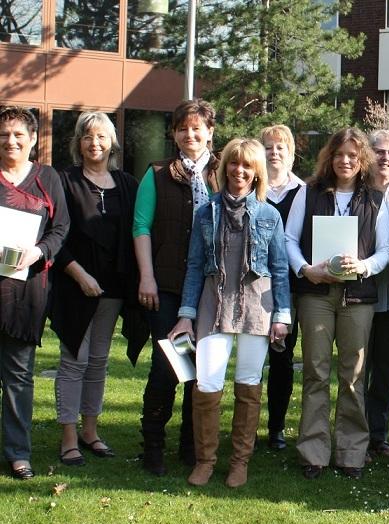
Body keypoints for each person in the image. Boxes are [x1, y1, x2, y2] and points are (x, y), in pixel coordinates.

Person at [169, 138, 291, 488]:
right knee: (206, 383)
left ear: (257, 174)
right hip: (213, 301)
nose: (239, 171)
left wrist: (282, 315)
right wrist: (185, 313)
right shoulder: (206, 212)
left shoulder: (270, 215)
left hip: (258, 304)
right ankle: (206, 461)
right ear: (224, 170)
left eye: (247, 166)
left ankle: (240, 462)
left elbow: (280, 269)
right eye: (234, 165)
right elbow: (194, 265)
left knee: (248, 384)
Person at [284, 127, 389, 480]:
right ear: (329, 158)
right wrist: (305, 269)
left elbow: (385, 250)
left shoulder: (376, 198)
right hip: (315, 295)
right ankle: (313, 451)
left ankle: (351, 452)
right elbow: (288, 238)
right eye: (340, 154)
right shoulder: (308, 192)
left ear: (363, 161)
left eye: (353, 156)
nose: (345, 161)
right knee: (315, 372)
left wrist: (363, 266)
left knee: (354, 375)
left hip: (358, 296)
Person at [51, 112, 146, 466]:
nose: (95, 143)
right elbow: (54, 235)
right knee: (73, 360)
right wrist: (80, 275)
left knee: (98, 362)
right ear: (79, 143)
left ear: (112, 144)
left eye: (102, 137)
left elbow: (138, 231)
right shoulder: (63, 180)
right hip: (74, 286)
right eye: (88, 137)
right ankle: (68, 436)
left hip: (113, 289)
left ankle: (90, 431)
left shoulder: (127, 184)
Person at [132, 98, 220, 475]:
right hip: (166, 286)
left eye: (197, 127)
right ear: (173, 134)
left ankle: (190, 445)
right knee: (168, 366)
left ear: (210, 132)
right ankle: (153, 444)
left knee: (201, 370)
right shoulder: (157, 173)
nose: (190, 134)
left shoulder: (223, 170)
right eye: (182, 128)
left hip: (211, 289)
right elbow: (141, 226)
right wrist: (147, 276)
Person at [0, 107, 69, 479]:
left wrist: (39, 250)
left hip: (25, 294)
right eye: (4, 135)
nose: (10, 141)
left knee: (18, 376)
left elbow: (61, 228)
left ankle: (17, 453)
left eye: (17, 135)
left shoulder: (47, 178)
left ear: (32, 139)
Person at [260, 124, 305, 451]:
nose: (274, 152)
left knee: (281, 358)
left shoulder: (304, 192)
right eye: (269, 147)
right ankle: (244, 426)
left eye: (281, 148)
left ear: (291, 154)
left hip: (290, 289)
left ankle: (276, 427)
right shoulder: (251, 188)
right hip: (251, 287)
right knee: (249, 358)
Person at [365, 129, 389, 459]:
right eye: (379, 151)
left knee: (385, 370)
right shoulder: (355, 193)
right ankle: (355, 434)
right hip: (357, 296)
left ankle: (378, 435)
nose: (385, 158)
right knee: (356, 370)